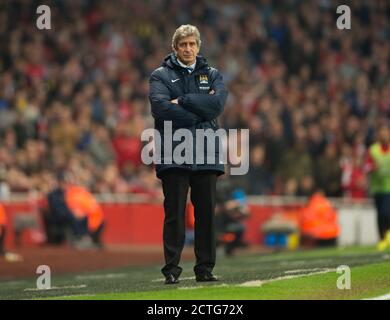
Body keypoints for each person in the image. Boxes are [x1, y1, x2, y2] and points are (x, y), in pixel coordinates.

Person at [149, 24, 228, 284]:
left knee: (205, 213)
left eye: (192, 44)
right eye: (183, 44)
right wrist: (201, 109)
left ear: (198, 46)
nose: (188, 48)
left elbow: (217, 106)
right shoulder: (159, 75)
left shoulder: (213, 74)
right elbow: (161, 110)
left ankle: (205, 269)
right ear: (175, 47)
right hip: (174, 151)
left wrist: (182, 101)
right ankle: (171, 269)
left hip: (206, 150)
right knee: (175, 212)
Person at [365, 125, 390, 250]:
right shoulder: (373, 150)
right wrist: (372, 168)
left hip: (389, 188)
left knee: (386, 212)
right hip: (377, 188)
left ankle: (388, 234)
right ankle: (382, 239)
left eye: (385, 132)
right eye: (381, 133)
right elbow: (366, 166)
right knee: (380, 214)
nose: (383, 135)